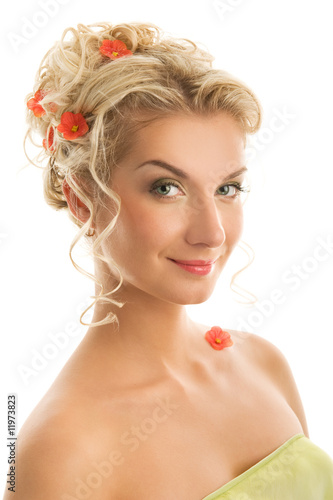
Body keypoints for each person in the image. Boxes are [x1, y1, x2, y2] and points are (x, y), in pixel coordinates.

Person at [4, 21, 333, 500]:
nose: (212, 233)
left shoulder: (264, 364)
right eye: (167, 188)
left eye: (227, 189)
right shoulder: (61, 452)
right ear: (81, 199)